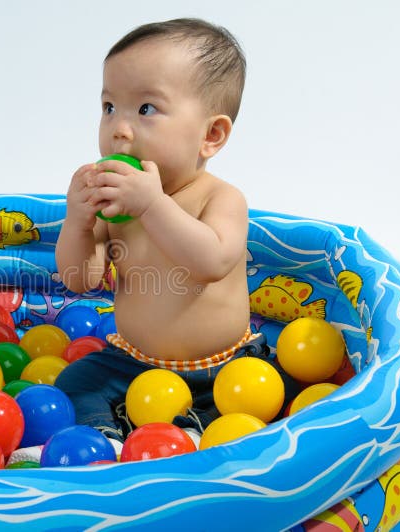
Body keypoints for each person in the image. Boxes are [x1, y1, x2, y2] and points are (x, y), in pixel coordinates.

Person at [54, 18, 295, 442]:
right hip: (133, 361)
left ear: (211, 135)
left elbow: (211, 262)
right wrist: (78, 221)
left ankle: (188, 437)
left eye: (146, 109)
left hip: (222, 366)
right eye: (109, 107)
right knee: (73, 384)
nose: (119, 129)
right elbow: (80, 279)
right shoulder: (115, 206)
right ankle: (106, 442)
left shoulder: (220, 199)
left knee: (269, 394)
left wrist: (151, 205)